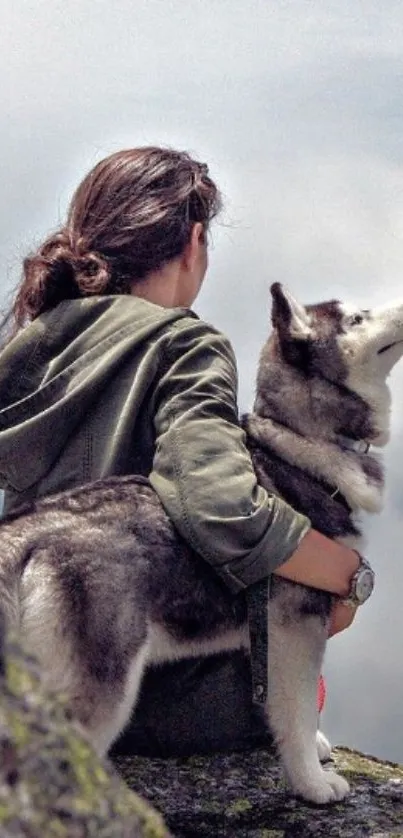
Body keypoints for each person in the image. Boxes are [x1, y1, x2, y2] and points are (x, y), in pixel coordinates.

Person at [0, 147, 359, 755]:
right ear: (194, 242)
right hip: (150, 705)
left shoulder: (31, 344)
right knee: (303, 657)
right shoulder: (185, 343)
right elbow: (219, 503)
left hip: (30, 682)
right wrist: (347, 575)